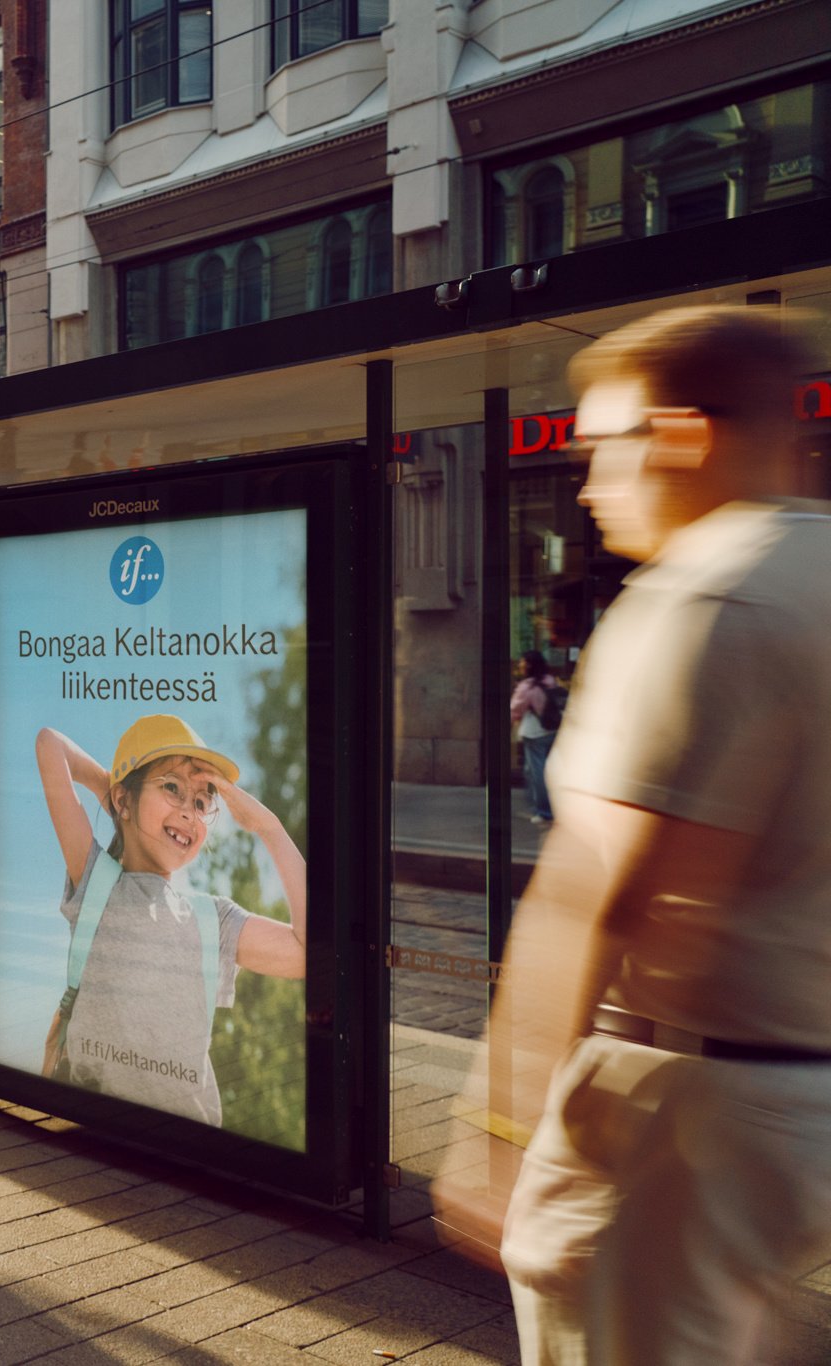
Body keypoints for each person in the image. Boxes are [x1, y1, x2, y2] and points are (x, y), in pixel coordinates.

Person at [434, 307, 831, 1366]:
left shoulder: (699, 597)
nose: (583, 482)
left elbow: (599, 892)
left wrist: (499, 1130)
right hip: (798, 1096)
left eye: (603, 446)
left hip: (678, 1103)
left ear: (682, 436)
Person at [34, 715, 306, 1126]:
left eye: (201, 802)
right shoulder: (97, 883)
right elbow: (50, 744)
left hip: (191, 1145)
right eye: (172, 789)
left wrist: (269, 827)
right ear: (124, 800)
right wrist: (113, 794)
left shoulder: (213, 919)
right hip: (95, 1134)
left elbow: (312, 954)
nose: (189, 812)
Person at [510, 651, 561, 826]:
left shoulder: (527, 686)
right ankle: (545, 806)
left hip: (535, 733)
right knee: (532, 770)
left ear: (529, 665)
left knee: (537, 772)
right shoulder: (550, 680)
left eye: (522, 662)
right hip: (552, 730)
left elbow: (515, 709)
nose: (520, 665)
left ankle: (544, 811)